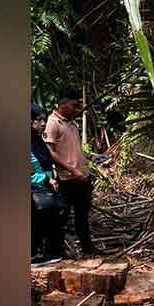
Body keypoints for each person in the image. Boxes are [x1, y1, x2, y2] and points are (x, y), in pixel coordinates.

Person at [44, 88, 99, 256]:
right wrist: (71, 169)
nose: (76, 109)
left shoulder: (71, 123)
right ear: (63, 104)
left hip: (81, 177)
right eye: (74, 105)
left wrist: (88, 159)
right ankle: (56, 251)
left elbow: (73, 148)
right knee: (62, 217)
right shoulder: (53, 122)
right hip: (67, 179)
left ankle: (88, 249)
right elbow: (50, 152)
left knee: (82, 216)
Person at [31, 104, 66, 263]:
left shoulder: (37, 140)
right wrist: (45, 179)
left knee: (50, 221)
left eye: (44, 120)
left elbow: (45, 162)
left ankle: (49, 252)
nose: (43, 123)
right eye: (39, 120)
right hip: (34, 192)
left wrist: (53, 175)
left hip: (46, 190)